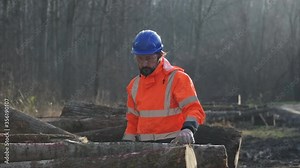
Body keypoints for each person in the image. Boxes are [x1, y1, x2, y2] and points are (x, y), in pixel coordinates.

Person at [122, 30, 206, 144]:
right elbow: (132, 121)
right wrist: (127, 144)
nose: (144, 64)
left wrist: (188, 129)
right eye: (140, 59)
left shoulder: (178, 79)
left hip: (174, 145)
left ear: (160, 55)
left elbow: (194, 109)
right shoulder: (134, 86)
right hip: (144, 148)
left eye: (149, 58)